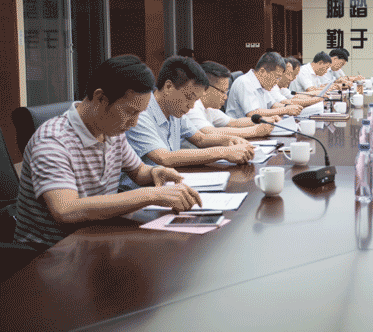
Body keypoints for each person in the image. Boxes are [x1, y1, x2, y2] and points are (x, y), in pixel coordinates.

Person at [13, 55, 203, 249]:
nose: (134, 123)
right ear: (100, 98)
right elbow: (66, 210)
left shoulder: (111, 132)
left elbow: (138, 171)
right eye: (130, 112)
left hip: (97, 239)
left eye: (139, 113)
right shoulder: (52, 141)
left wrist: (155, 172)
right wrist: (151, 195)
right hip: (52, 254)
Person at [121, 56, 254, 190]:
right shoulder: (139, 112)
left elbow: (200, 139)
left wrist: (229, 140)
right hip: (137, 191)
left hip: (167, 185)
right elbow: (164, 158)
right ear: (168, 87)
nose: (191, 106)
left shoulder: (174, 110)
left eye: (195, 100)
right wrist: (223, 152)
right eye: (189, 98)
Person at [181, 61, 274, 148]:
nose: (226, 97)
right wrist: (254, 131)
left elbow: (234, 123)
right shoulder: (192, 106)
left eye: (226, 92)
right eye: (223, 92)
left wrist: (262, 120)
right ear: (206, 88)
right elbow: (209, 133)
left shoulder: (210, 107)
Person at [226, 52, 303, 119]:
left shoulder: (262, 84)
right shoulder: (244, 82)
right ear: (263, 72)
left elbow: (273, 104)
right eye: (276, 77)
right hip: (240, 129)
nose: (277, 82)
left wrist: (288, 107)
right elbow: (253, 113)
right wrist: (285, 110)